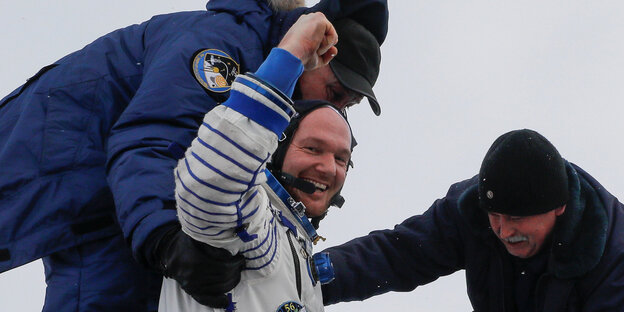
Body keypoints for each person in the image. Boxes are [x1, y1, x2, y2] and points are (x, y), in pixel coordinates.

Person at [0, 0, 387, 311]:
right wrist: (166, 240)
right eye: (336, 93)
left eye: (347, 105)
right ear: (316, 53)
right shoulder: (226, 49)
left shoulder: (266, 84)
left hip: (120, 197)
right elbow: (154, 143)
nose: (335, 110)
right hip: (85, 184)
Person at [159, 13, 354, 311]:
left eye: (341, 158)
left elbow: (394, 254)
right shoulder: (255, 223)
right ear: (277, 150)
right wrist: (290, 55)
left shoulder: (299, 254)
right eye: (313, 148)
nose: (328, 167)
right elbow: (208, 185)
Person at [321, 129, 624, 311]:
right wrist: (309, 278)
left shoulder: (614, 259)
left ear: (559, 208)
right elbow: (397, 255)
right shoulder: (470, 211)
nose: (503, 231)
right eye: (495, 215)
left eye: (517, 218)